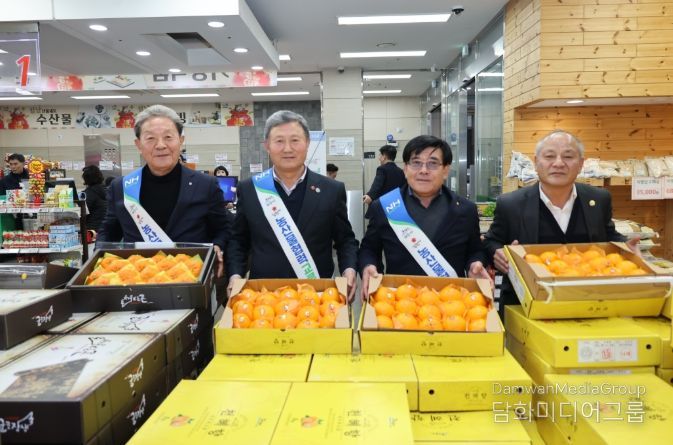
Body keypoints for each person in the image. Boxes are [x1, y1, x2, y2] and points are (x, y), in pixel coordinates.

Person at [483, 130, 638, 318]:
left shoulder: (598, 199)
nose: (558, 163)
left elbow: (609, 235)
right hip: (528, 306)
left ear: (581, 164)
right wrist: (498, 253)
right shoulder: (511, 204)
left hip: (589, 302)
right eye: (549, 156)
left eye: (568, 156)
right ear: (536, 162)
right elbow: (491, 241)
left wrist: (625, 246)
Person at [227, 110, 359, 299]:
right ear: (267, 146)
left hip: (317, 296)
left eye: (295, 140)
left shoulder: (332, 190)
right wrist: (235, 275)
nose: (287, 149)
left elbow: (345, 240)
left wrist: (349, 270)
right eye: (279, 141)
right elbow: (238, 241)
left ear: (307, 143)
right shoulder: (249, 189)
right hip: (264, 297)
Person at [97, 104, 230, 276]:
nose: (160, 145)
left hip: (190, 277)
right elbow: (108, 232)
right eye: (150, 138)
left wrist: (218, 246)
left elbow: (223, 229)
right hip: (138, 279)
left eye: (168, 137)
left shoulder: (206, 185)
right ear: (138, 144)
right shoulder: (121, 187)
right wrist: (98, 259)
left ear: (181, 141)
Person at [359, 135, 490, 300]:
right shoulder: (385, 206)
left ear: (446, 170)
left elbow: (476, 250)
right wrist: (368, 266)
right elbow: (369, 249)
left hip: (451, 304)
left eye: (433, 163)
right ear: (406, 169)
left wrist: (475, 263)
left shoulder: (466, 209)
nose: (423, 170)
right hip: (400, 304)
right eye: (416, 163)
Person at [82, 165, 107, 232]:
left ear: (86, 178)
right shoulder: (107, 189)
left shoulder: (89, 193)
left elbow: (83, 212)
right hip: (106, 228)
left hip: (92, 230)